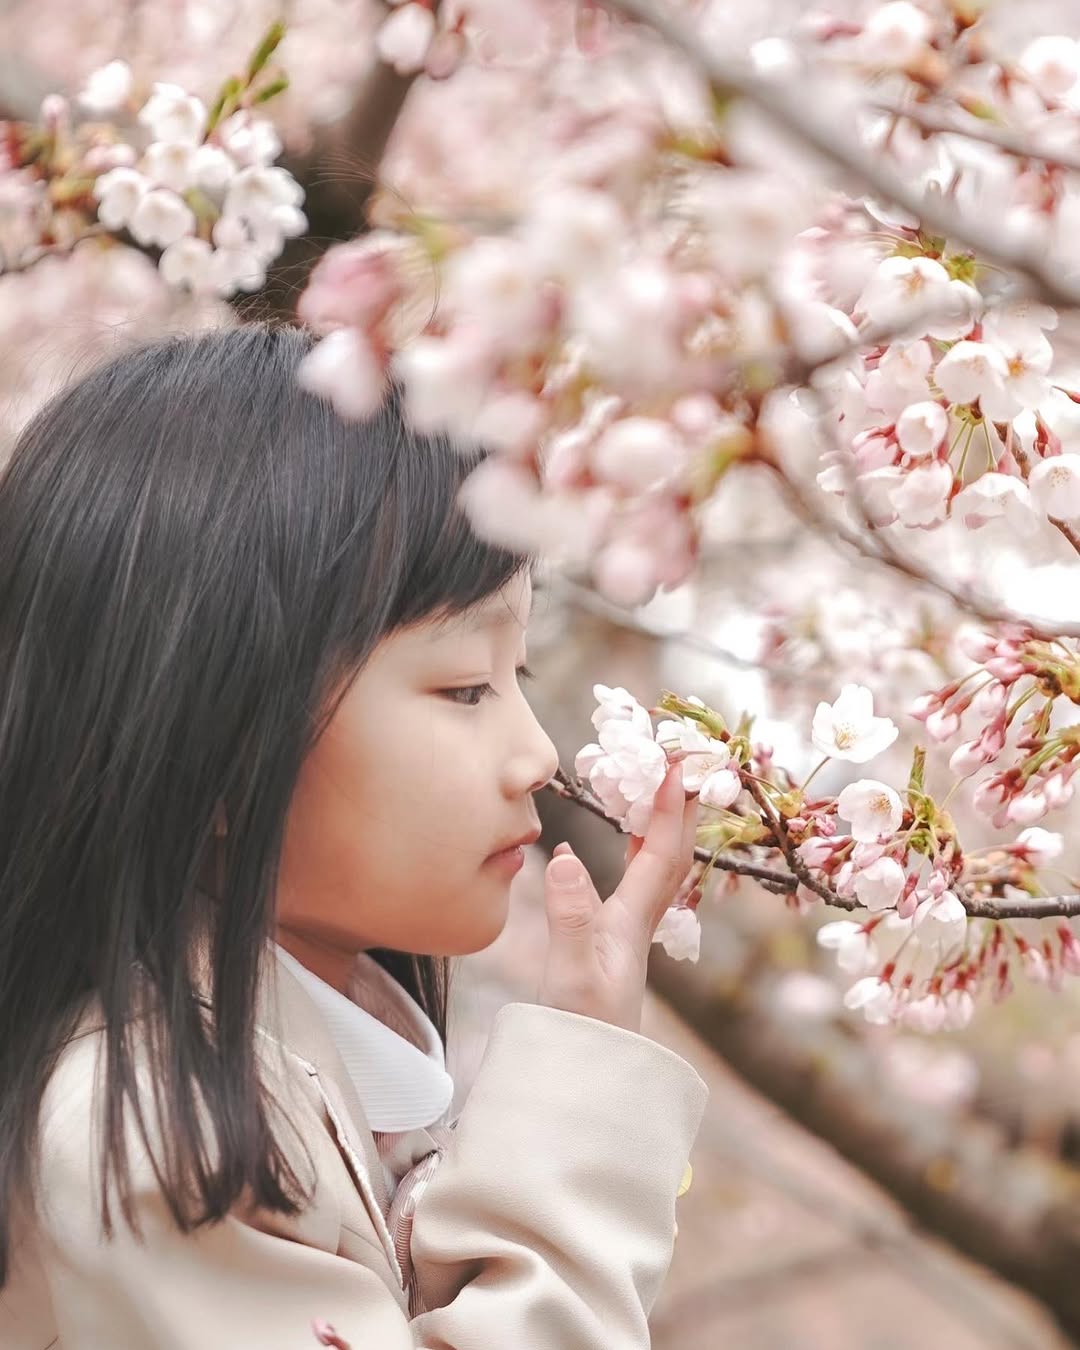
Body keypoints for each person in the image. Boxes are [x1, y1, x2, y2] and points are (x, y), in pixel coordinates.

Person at [0, 325, 707, 1349]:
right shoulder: (159, 1129)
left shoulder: (266, 1084)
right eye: (465, 686)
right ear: (223, 738)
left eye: (521, 680)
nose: (538, 757)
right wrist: (584, 1093)